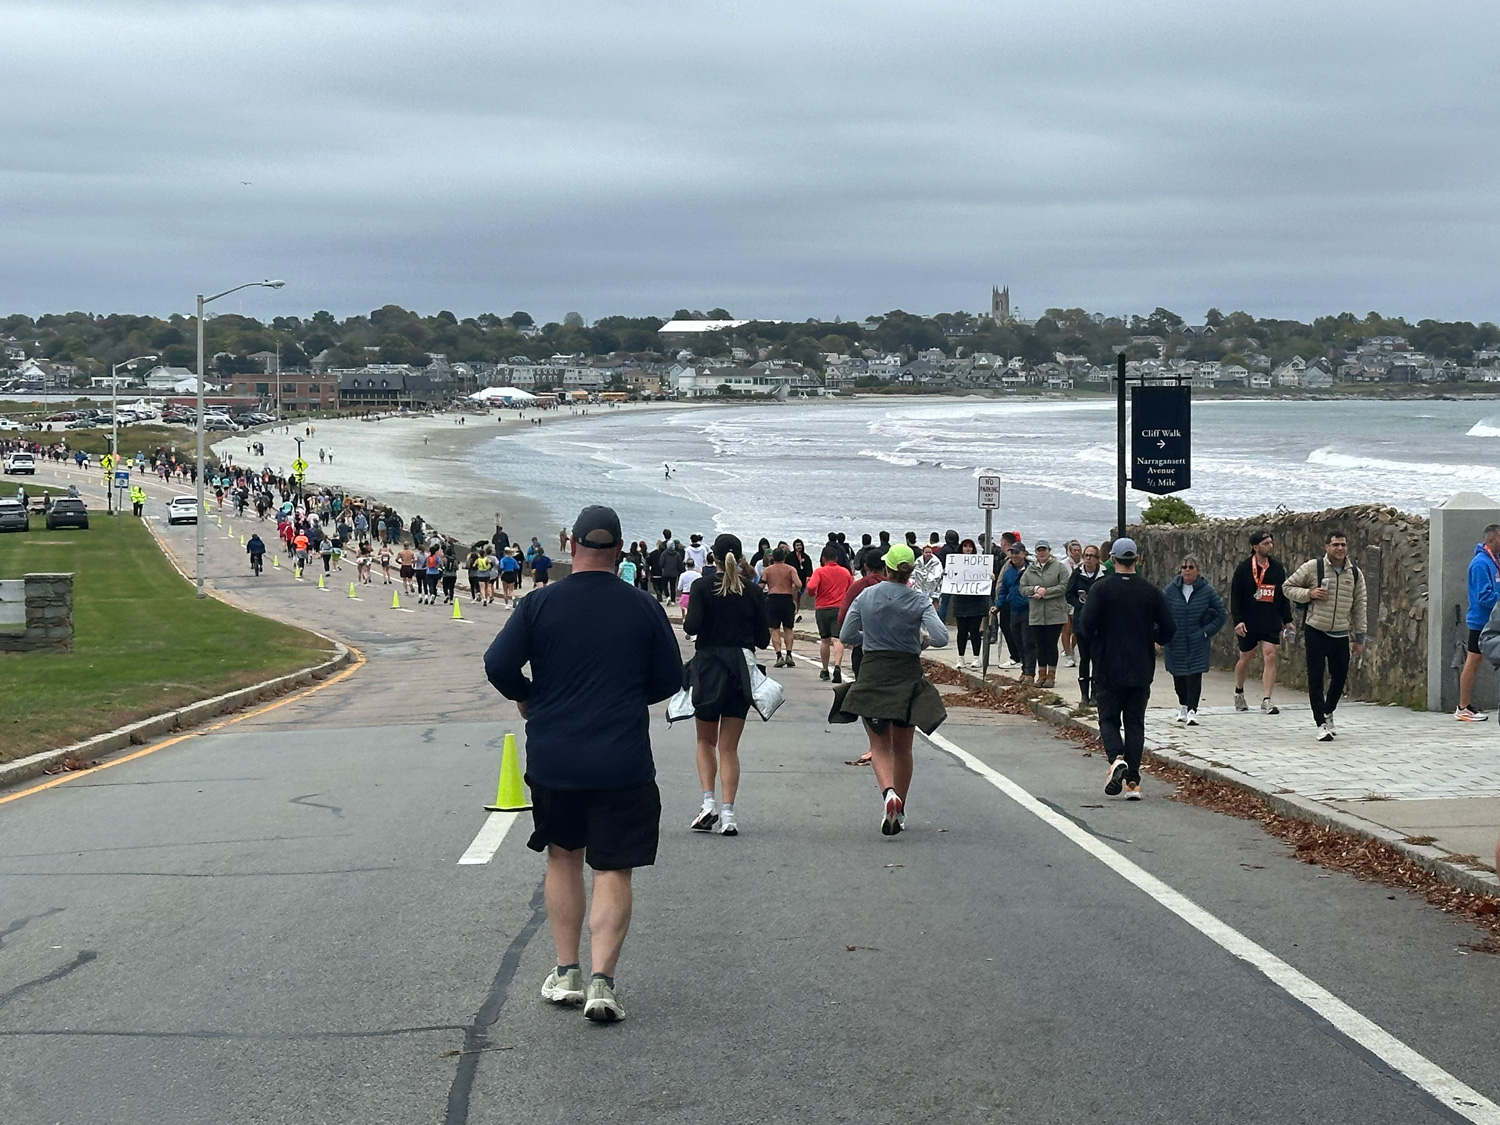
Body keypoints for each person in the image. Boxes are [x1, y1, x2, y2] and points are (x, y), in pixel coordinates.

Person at [483, 505, 682, 1024]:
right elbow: (667, 682)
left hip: (555, 755)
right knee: (614, 867)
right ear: (620, 549)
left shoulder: (539, 603)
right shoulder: (643, 607)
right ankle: (602, 982)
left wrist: (529, 697)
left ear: (570, 545)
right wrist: (628, 690)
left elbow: (497, 663)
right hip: (622, 759)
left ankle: (566, 969)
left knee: (563, 857)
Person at [829, 544, 948, 835]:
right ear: (910, 570)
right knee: (903, 747)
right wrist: (921, 641)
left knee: (879, 745)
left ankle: (888, 794)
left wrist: (868, 635)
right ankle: (901, 808)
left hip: (873, 671)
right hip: (906, 673)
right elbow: (942, 637)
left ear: (886, 568)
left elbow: (845, 634)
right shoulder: (919, 600)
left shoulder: (866, 595)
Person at [682, 534, 771, 836]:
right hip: (739, 671)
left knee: (705, 741)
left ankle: (708, 804)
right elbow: (763, 639)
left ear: (714, 558)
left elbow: (691, 626)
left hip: (708, 668)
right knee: (729, 748)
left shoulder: (702, 587)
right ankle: (729, 814)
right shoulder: (753, 591)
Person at [1077, 538, 1175, 800]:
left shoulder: (1100, 589)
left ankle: (1115, 759)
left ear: (1112, 559)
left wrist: (1098, 640)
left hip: (1108, 665)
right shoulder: (1151, 591)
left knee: (1108, 719)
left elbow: (1085, 625)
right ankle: (1132, 782)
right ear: (1136, 559)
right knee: (1134, 723)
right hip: (1141, 667)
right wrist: (1153, 637)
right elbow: (1169, 628)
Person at [1284, 530, 1367, 742]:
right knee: (1316, 677)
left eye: (1343, 545)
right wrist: (1309, 594)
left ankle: (1329, 711)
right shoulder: (1313, 567)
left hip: (1340, 633)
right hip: (1316, 630)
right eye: (1335, 544)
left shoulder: (1355, 574)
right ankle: (1320, 722)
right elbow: (1287, 587)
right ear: (1326, 547)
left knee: (1339, 677)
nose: (1340, 548)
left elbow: (1360, 606)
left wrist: (1359, 637)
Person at [1229, 530, 1294, 716]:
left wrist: (1287, 620)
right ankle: (1239, 691)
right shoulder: (1243, 569)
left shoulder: (1277, 568)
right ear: (1255, 547)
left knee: (1270, 654)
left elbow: (1282, 596)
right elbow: (1235, 597)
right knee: (1246, 657)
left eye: (1271, 543)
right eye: (1266, 543)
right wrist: (1238, 621)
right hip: (1249, 620)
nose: (1270, 546)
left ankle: (1267, 699)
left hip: (1270, 619)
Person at [1161, 555, 1227, 725]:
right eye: (1184, 567)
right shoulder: (1170, 590)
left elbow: (1220, 614)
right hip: (1176, 642)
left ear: (1197, 570)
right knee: (1178, 677)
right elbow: (1160, 613)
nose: (1187, 570)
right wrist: (1161, 635)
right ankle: (1183, 705)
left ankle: (1192, 709)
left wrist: (1205, 632)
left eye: (1191, 567)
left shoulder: (1206, 590)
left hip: (1197, 642)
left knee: (1194, 677)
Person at [1458, 523, 1500, 721]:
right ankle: (1463, 706)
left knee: (1474, 661)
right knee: (1473, 661)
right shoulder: (1480, 564)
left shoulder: (1495, 561)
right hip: (1481, 621)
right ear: (1491, 540)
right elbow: (1483, 597)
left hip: (1494, 620)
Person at [1020, 540, 1069, 686]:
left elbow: (1065, 586)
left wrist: (1046, 592)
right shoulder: (1030, 570)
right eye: (1039, 550)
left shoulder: (1059, 567)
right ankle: (1041, 675)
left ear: (1049, 551)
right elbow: (1022, 588)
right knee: (1039, 645)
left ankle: (1051, 676)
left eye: (1044, 550)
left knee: (1051, 644)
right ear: (1035, 552)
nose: (1042, 553)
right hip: (1036, 614)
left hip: (1055, 613)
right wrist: (1035, 589)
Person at [806, 545, 854, 682]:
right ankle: (837, 666)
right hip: (839, 608)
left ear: (823, 558)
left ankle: (825, 669)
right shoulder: (845, 572)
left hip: (822, 608)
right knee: (837, 639)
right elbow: (851, 588)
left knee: (825, 640)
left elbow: (811, 587)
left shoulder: (819, 572)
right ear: (837, 558)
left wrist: (812, 593)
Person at [1065, 544, 1104, 704]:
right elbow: (1069, 593)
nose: (1088, 558)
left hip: (1100, 624)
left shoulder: (1104, 575)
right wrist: (1080, 605)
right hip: (1081, 622)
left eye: (1092, 556)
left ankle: (1095, 693)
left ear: (1097, 559)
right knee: (1084, 658)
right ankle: (1084, 695)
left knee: (1097, 658)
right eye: (1086, 555)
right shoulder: (1077, 574)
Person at [758, 547, 803, 668]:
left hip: (773, 599)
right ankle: (789, 654)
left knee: (774, 629)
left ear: (773, 558)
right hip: (787, 599)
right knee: (788, 628)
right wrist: (792, 588)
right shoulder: (790, 569)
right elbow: (799, 584)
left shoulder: (767, 570)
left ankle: (779, 655)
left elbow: (760, 586)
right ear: (784, 557)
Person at [996, 544, 1035, 682]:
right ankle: (1024, 669)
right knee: (1017, 642)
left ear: (1023, 554)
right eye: (1012, 553)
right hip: (1013, 610)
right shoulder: (1008, 572)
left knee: (1028, 642)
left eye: (1017, 553)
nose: (1014, 556)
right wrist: (998, 606)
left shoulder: (1032, 570)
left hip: (1028, 610)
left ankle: (1030, 672)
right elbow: (1003, 591)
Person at [950, 539, 990, 670]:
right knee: (961, 631)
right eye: (965, 546)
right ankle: (960, 658)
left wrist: (990, 577)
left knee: (974, 630)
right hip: (960, 600)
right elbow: (950, 577)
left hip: (975, 601)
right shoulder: (955, 563)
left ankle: (976, 657)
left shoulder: (979, 563)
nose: (967, 549)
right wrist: (947, 575)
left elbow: (985, 576)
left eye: (970, 547)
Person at [910, 543, 943, 609]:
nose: (928, 554)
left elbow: (937, 575)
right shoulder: (918, 561)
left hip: (933, 588)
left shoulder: (936, 562)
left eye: (930, 552)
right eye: (926, 552)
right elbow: (913, 575)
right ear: (922, 553)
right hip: (919, 588)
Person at [675, 557, 700, 623]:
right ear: (694, 565)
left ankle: (684, 620)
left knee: (683, 610)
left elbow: (679, 587)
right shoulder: (698, 575)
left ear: (686, 565)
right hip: (695, 595)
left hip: (685, 594)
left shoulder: (683, 575)